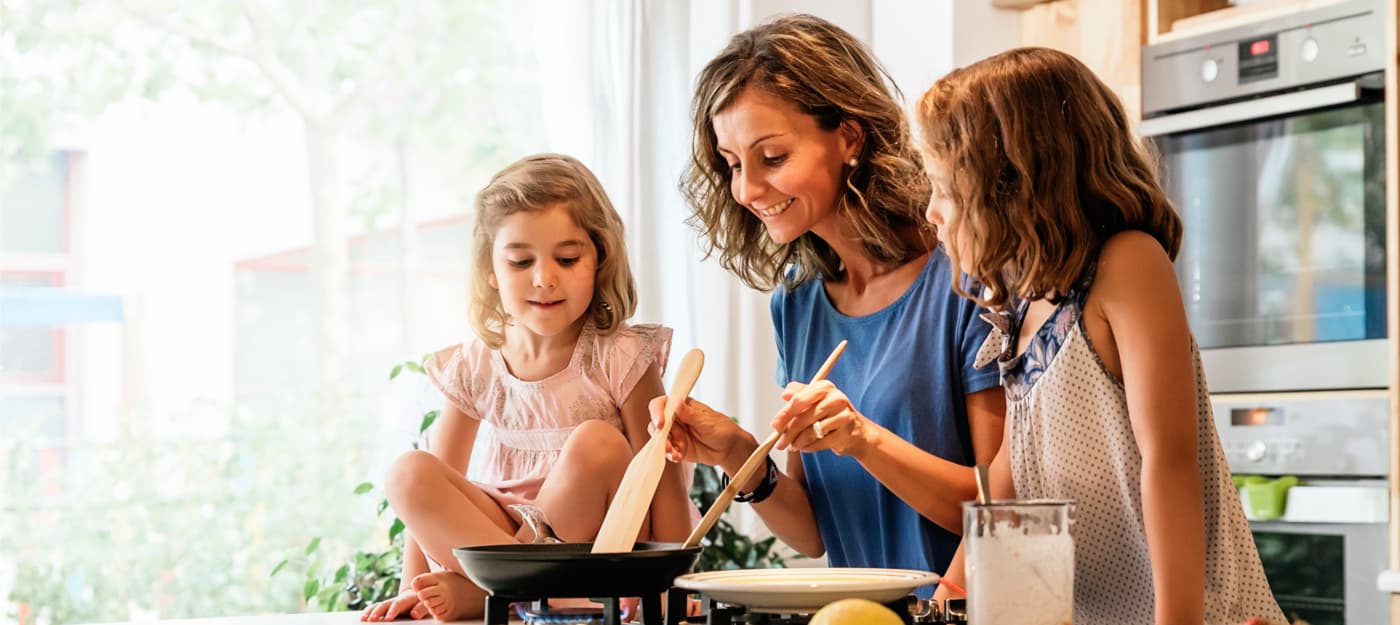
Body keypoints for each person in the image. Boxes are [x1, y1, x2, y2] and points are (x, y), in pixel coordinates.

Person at [916, 47, 1286, 625]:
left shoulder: (1128, 265)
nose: (932, 212)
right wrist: (943, 603)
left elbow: (1168, 459)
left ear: (1011, 183)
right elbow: (1006, 491)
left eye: (942, 188)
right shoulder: (1022, 304)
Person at [657, 13, 1006, 595]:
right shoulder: (797, 302)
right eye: (733, 164)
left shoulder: (963, 278)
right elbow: (814, 530)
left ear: (849, 137)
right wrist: (742, 453)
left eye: (771, 158)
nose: (745, 190)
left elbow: (999, 511)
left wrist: (861, 438)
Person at [360, 153, 693, 622]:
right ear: (491, 271)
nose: (544, 278)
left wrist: (669, 590)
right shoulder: (475, 363)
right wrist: (409, 586)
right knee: (409, 472)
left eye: (567, 258)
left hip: (593, 550)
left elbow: (662, 481)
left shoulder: (620, 355)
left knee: (596, 441)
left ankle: (501, 593)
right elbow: (439, 479)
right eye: (520, 261)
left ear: (599, 260)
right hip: (502, 536)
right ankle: (520, 593)